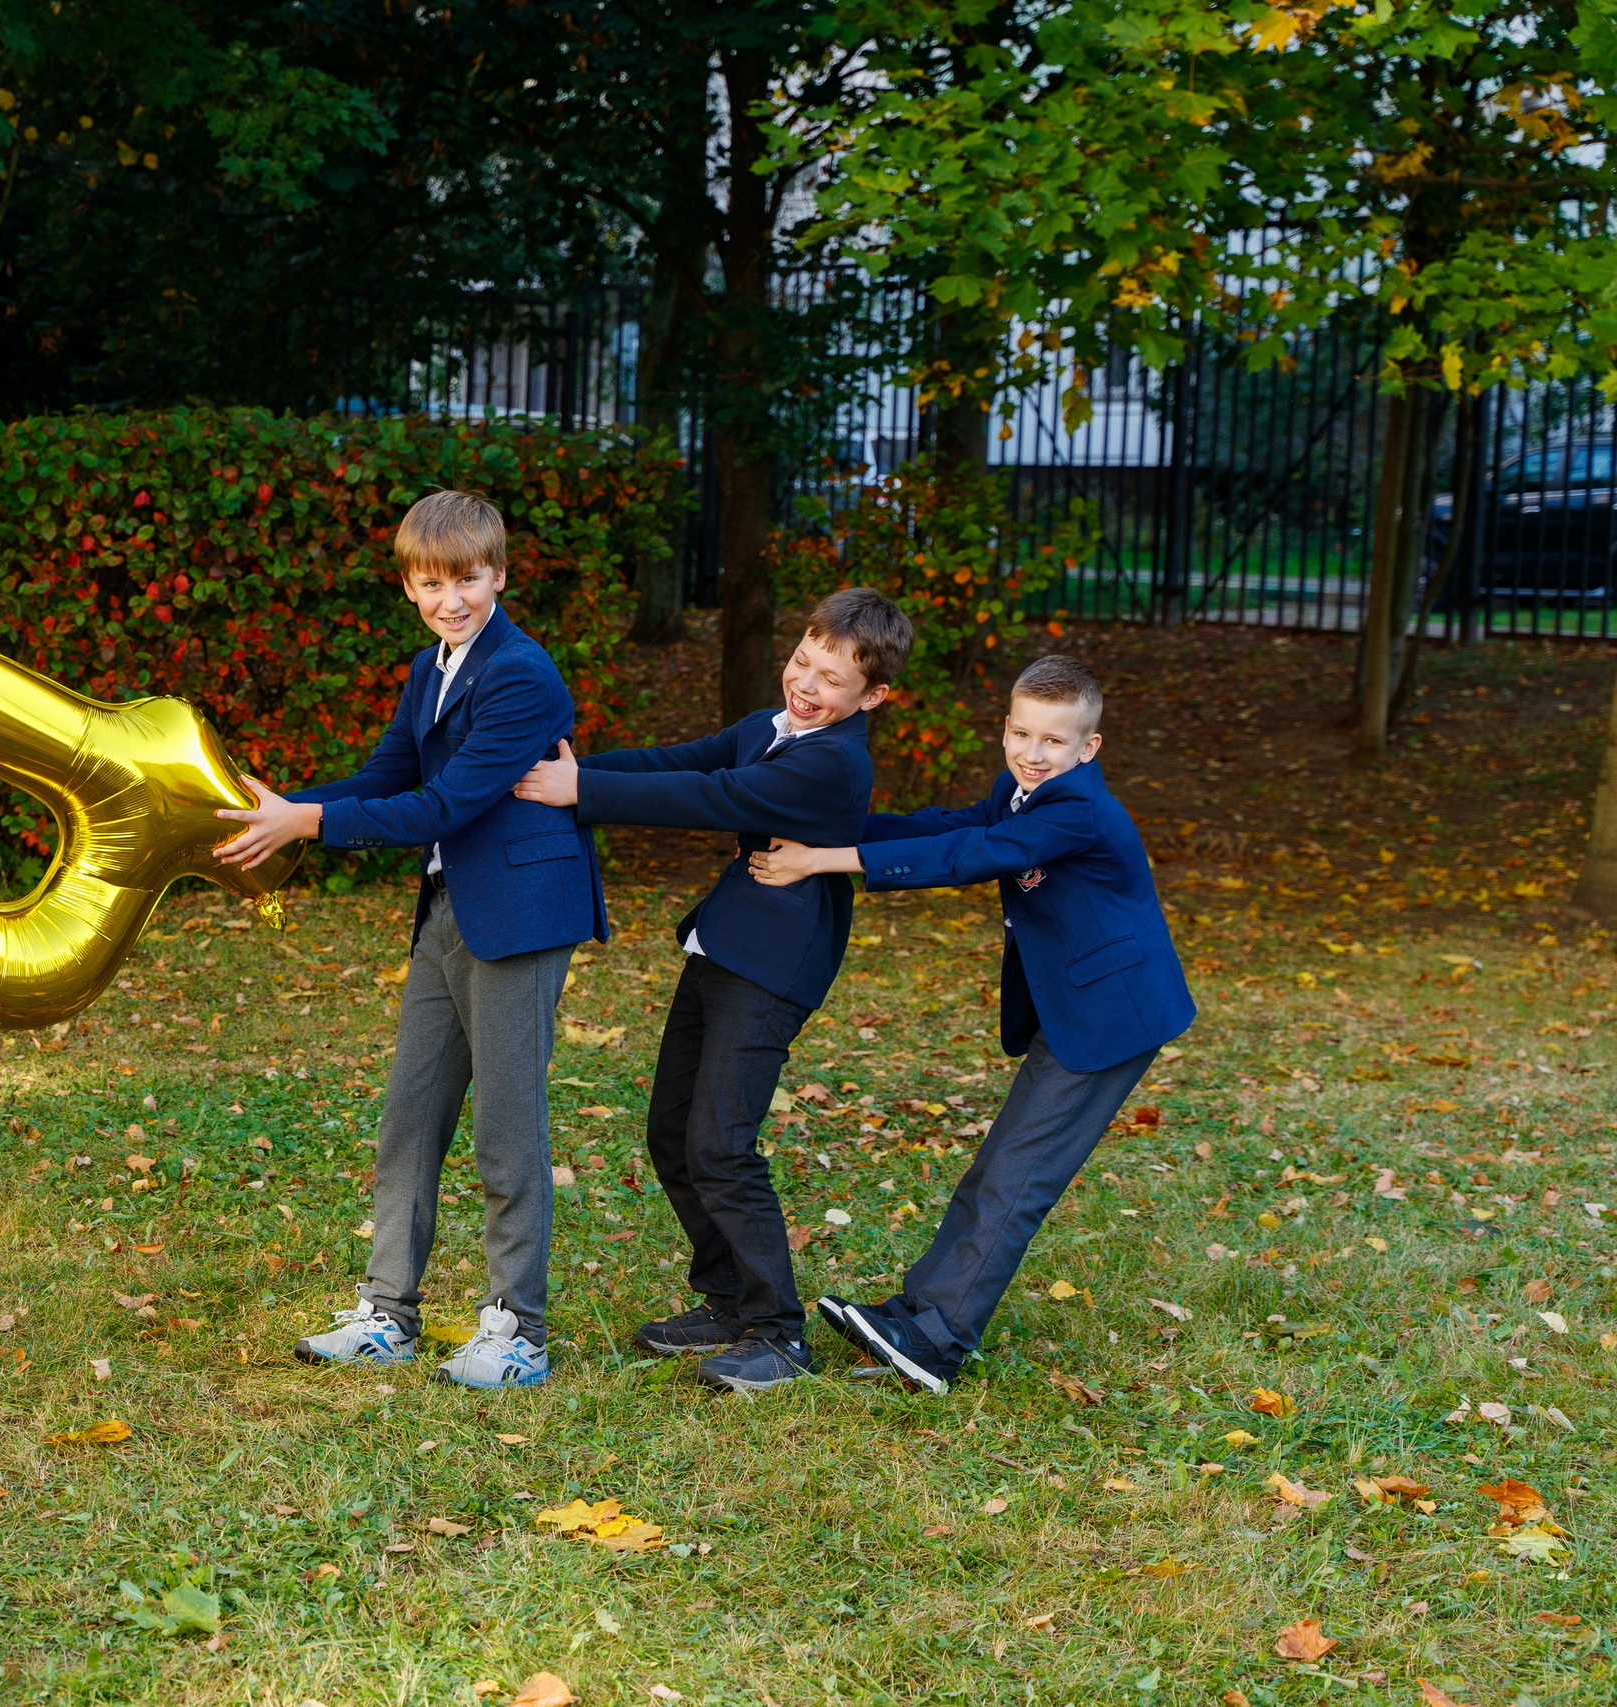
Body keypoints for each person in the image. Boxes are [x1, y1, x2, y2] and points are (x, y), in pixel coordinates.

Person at [215, 490, 605, 1388]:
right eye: (432, 583)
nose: (452, 599)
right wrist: (277, 809)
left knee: (508, 1129)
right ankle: (388, 1311)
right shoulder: (432, 668)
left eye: (468, 579)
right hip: (447, 906)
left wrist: (303, 823)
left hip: (518, 915)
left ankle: (519, 1330)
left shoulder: (522, 673)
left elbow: (444, 804)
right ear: (408, 588)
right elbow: (388, 775)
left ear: (499, 575)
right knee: (410, 1118)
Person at [751, 652, 1194, 1394]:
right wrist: (845, 824)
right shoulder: (1020, 790)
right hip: (1074, 1004)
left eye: (1054, 741)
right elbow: (951, 824)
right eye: (1021, 733)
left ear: (1089, 749)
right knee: (997, 1167)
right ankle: (917, 1310)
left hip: (1112, 1015)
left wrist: (826, 858)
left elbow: (973, 853)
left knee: (1017, 1180)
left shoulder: (1075, 807)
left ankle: (938, 1340)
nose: (1032, 752)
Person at [512, 588, 913, 1394]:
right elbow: (686, 761)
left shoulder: (833, 762)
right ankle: (728, 1301)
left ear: (873, 696)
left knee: (720, 1147)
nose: (807, 684)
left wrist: (581, 794)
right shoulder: (774, 728)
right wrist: (575, 772)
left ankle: (778, 1332)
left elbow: (713, 798)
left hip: (772, 968)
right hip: (724, 946)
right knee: (672, 1132)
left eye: (832, 680)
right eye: (804, 660)